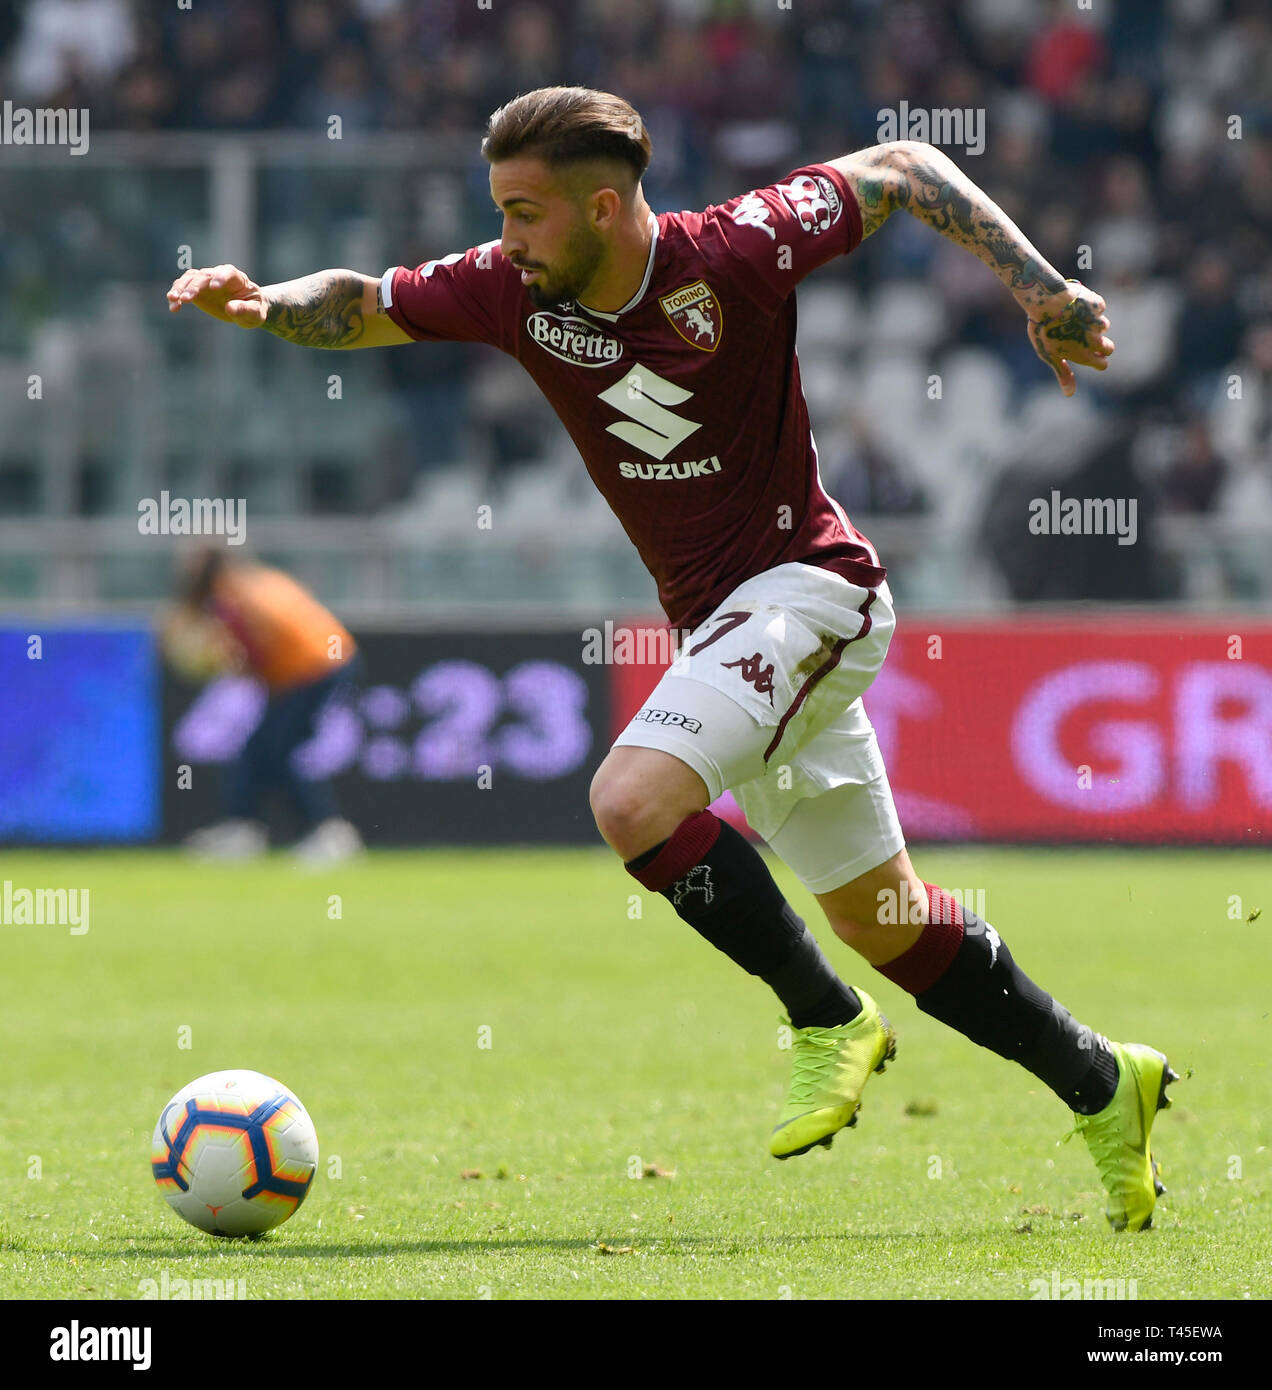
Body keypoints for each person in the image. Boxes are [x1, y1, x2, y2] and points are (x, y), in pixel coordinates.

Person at [166, 86, 1173, 1230]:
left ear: (605, 206)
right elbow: (363, 304)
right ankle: (1103, 1080)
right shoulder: (511, 291)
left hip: (812, 590)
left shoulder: (735, 251)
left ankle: (824, 1020)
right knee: (887, 920)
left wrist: (1040, 287)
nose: (508, 238)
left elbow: (902, 166)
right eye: (499, 211)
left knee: (631, 798)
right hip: (728, 629)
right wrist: (263, 304)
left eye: (526, 213)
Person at [164, 547, 363, 865]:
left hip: (314, 669)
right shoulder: (258, 580)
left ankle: (327, 834)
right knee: (260, 749)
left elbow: (257, 650)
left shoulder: (231, 597)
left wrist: (218, 662)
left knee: (279, 751)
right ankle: (243, 828)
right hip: (323, 663)